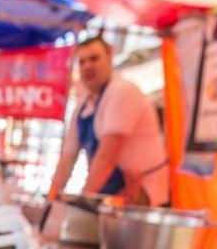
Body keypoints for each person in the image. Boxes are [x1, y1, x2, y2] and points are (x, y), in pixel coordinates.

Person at [48, 36, 170, 206]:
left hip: (141, 196)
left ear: (109, 58)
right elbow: (68, 157)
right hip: (110, 193)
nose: (87, 66)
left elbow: (107, 156)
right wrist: (49, 201)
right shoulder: (83, 103)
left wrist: (83, 203)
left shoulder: (122, 92)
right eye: (82, 62)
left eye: (94, 59)